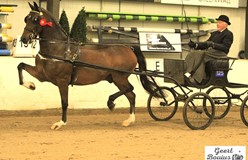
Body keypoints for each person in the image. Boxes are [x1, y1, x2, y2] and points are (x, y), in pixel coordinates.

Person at [184, 15, 233, 84]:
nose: (217, 24)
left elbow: (225, 47)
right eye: (217, 22)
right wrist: (196, 45)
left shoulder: (228, 34)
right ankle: (187, 73)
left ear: (225, 24)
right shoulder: (214, 33)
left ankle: (197, 79)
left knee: (201, 54)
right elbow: (206, 44)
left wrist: (213, 44)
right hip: (211, 52)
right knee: (193, 53)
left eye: (219, 22)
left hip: (221, 54)